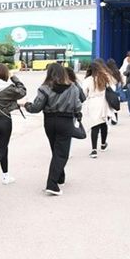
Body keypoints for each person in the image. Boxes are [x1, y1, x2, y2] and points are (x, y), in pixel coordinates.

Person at [24, 63, 82, 196]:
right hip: (65, 121)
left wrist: (27, 105)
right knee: (62, 153)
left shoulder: (44, 88)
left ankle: (60, 177)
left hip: (49, 122)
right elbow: (77, 106)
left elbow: (36, 107)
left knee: (56, 150)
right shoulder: (73, 88)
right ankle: (52, 184)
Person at [0, 63, 27, 190]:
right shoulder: (9, 87)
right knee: (1, 149)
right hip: (4, 121)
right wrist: (14, 78)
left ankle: (6, 176)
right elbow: (23, 91)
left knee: (2, 147)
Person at [81, 60, 115, 158]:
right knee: (103, 123)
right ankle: (103, 144)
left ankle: (94, 150)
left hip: (93, 103)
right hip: (104, 102)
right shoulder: (105, 77)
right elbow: (113, 87)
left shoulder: (88, 80)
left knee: (94, 126)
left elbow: (83, 93)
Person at [106, 58, 124, 124]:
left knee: (108, 105)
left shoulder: (106, 72)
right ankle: (114, 120)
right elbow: (120, 82)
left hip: (109, 90)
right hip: (116, 91)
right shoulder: (117, 71)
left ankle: (108, 118)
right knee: (115, 105)